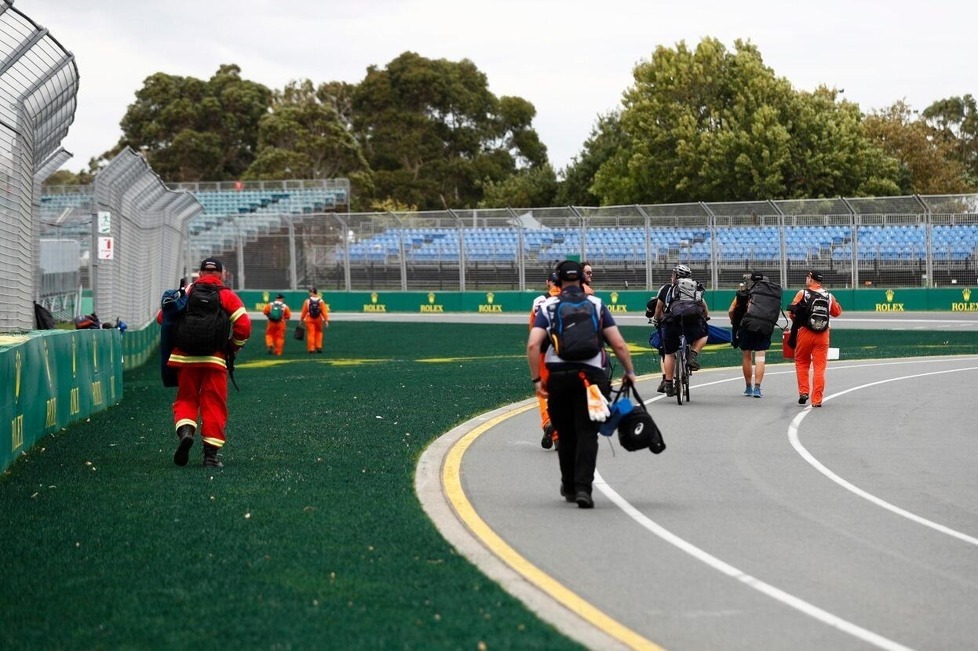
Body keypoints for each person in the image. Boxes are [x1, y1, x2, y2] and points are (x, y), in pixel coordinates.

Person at [527, 260, 638, 509]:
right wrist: (628, 371)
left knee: (565, 434)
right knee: (588, 433)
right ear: (582, 279)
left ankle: (568, 485)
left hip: (559, 378)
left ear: (558, 281)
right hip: (592, 378)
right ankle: (584, 489)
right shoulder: (596, 304)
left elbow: (534, 345)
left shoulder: (549, 306)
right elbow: (618, 343)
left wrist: (537, 380)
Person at [157, 257, 251, 468]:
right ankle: (210, 456)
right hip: (214, 359)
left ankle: (186, 432)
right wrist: (232, 346)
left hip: (184, 357)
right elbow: (244, 326)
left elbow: (162, 318)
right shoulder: (227, 295)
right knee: (214, 403)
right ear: (222, 275)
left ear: (199, 274)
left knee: (186, 399)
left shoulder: (187, 292)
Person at [787, 270, 843, 407]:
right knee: (819, 368)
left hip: (805, 332)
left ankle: (804, 392)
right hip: (823, 335)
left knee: (801, 362)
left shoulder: (802, 293)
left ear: (811, 279)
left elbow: (791, 313)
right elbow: (837, 312)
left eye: (807, 277)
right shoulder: (829, 295)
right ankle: (817, 400)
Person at [653, 264, 709, 397]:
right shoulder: (694, 287)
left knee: (669, 353)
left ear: (675, 276)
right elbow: (704, 307)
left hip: (671, 324)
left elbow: (658, 309)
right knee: (704, 334)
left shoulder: (666, 289)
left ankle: (668, 384)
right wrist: (705, 318)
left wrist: (657, 319)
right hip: (692, 323)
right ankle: (692, 356)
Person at [530, 272, 562, 450]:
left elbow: (533, 325)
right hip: (566, 352)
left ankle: (549, 422)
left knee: (543, 391)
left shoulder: (539, 301)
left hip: (544, 351)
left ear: (547, 283)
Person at [728, 272, 769, 398]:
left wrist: (734, 321)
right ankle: (757, 388)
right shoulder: (769, 293)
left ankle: (748, 387)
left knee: (747, 356)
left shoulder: (744, 292)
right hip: (763, 327)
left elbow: (731, 310)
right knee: (760, 356)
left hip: (746, 326)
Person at [300, 287, 329, 354]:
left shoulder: (307, 301)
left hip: (309, 318)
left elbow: (304, 311)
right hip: (318, 319)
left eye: (309, 292)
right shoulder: (321, 301)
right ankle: (319, 347)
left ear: (311, 293)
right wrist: (326, 320)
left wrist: (301, 319)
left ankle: (311, 349)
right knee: (319, 333)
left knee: (311, 334)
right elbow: (324, 312)